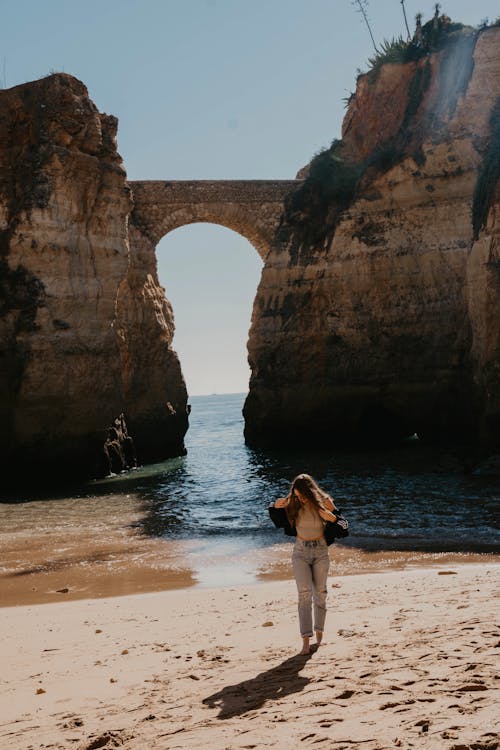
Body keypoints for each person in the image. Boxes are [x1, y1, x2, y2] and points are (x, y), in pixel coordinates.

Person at [273, 473, 338, 654]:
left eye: (302, 495)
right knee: (304, 594)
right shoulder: (292, 503)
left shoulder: (325, 502)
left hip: (321, 552)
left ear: (310, 492)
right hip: (300, 552)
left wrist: (330, 515)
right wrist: (274, 506)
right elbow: (276, 518)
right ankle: (305, 642)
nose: (299, 498)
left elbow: (341, 523)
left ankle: (319, 634)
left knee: (320, 593)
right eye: (296, 495)